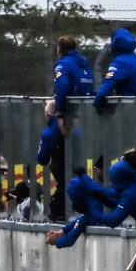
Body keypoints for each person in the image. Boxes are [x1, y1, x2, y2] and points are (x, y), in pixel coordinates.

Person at [46, 152, 136, 249]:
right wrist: (63, 231)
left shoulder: (127, 193)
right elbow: (97, 191)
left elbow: (74, 233)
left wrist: (57, 241)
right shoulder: (132, 184)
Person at [50, 39, 95, 220]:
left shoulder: (63, 65)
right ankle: (76, 205)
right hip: (82, 117)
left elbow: (63, 87)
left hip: (69, 118)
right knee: (75, 162)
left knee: (60, 165)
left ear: (60, 49)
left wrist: (60, 113)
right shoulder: (84, 65)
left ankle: (62, 210)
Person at [92, 28, 136, 111]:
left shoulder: (121, 62)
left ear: (115, 43)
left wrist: (96, 104)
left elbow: (106, 87)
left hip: (131, 110)